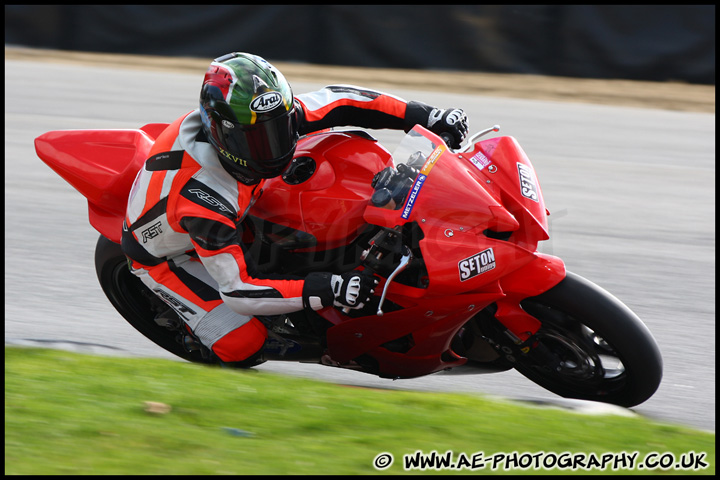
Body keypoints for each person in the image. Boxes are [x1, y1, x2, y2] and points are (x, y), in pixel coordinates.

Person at [121, 52, 468, 365]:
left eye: (281, 128)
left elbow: (343, 99)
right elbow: (240, 289)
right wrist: (330, 288)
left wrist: (425, 116)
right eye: (257, 140)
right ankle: (199, 324)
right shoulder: (203, 197)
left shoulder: (269, 117)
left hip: (243, 198)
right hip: (170, 255)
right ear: (222, 134)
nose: (274, 146)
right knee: (243, 345)